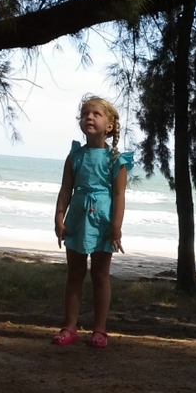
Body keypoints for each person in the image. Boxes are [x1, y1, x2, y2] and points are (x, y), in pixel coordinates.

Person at [53, 95, 134, 348]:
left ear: (109, 125)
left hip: (102, 222)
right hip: (77, 219)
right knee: (75, 274)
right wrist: (59, 216)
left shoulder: (116, 160)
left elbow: (119, 195)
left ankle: (100, 329)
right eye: (85, 114)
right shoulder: (75, 156)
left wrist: (116, 226)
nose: (89, 117)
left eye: (96, 114)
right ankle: (70, 326)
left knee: (100, 275)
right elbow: (65, 190)